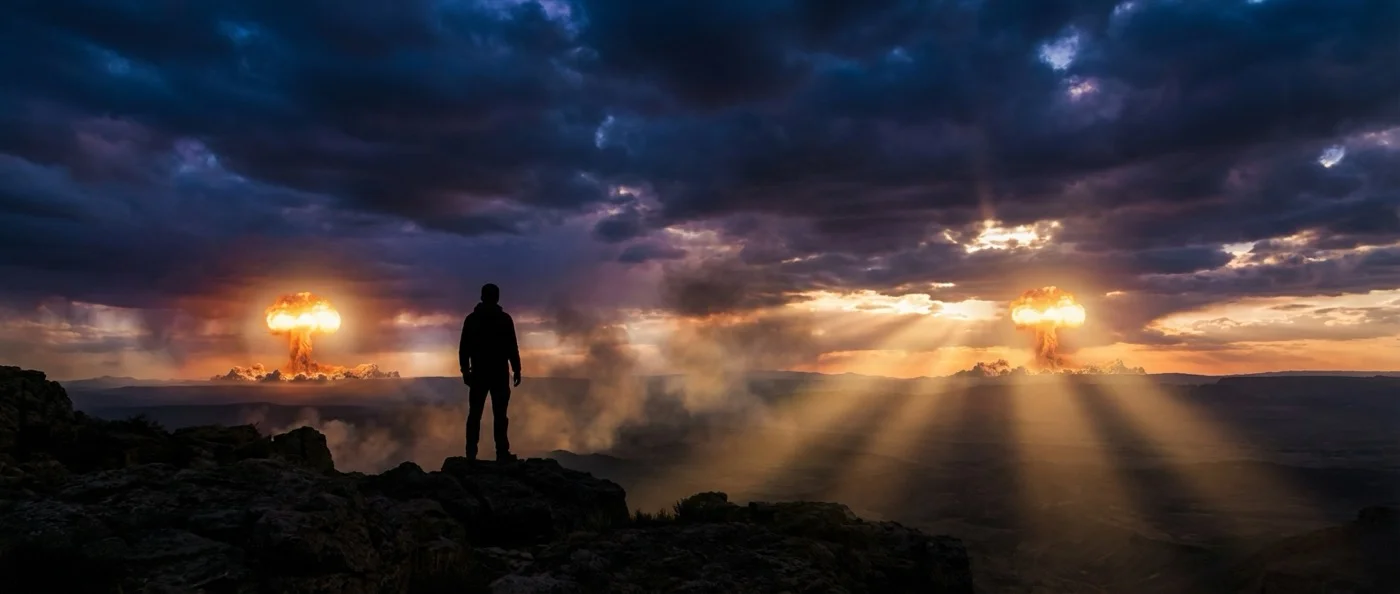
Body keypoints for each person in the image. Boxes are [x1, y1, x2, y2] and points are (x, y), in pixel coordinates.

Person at [458, 283, 522, 462]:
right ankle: (502, 453)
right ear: (497, 298)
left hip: (479, 373)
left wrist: (465, 370)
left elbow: (464, 349)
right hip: (499, 374)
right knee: (500, 415)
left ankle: (471, 454)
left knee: (475, 414)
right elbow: (512, 347)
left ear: (481, 297)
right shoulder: (504, 319)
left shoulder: (472, 319)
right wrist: (517, 369)